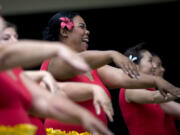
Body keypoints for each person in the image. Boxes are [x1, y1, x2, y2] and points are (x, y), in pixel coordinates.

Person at [41, 11, 180, 133]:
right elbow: (74, 60)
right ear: (64, 31)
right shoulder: (53, 61)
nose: (87, 32)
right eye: (82, 27)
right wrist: (111, 54)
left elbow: (122, 77)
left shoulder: (95, 68)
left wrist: (156, 80)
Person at [0, 16, 114, 135]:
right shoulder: (52, 63)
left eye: (16, 37)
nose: (15, 42)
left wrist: (83, 116)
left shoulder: (15, 72)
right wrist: (58, 49)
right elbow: (8, 54)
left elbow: (44, 102)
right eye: (6, 38)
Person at [119, 45, 179, 135]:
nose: (154, 66)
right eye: (150, 61)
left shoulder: (150, 89)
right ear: (135, 65)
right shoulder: (129, 88)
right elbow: (153, 97)